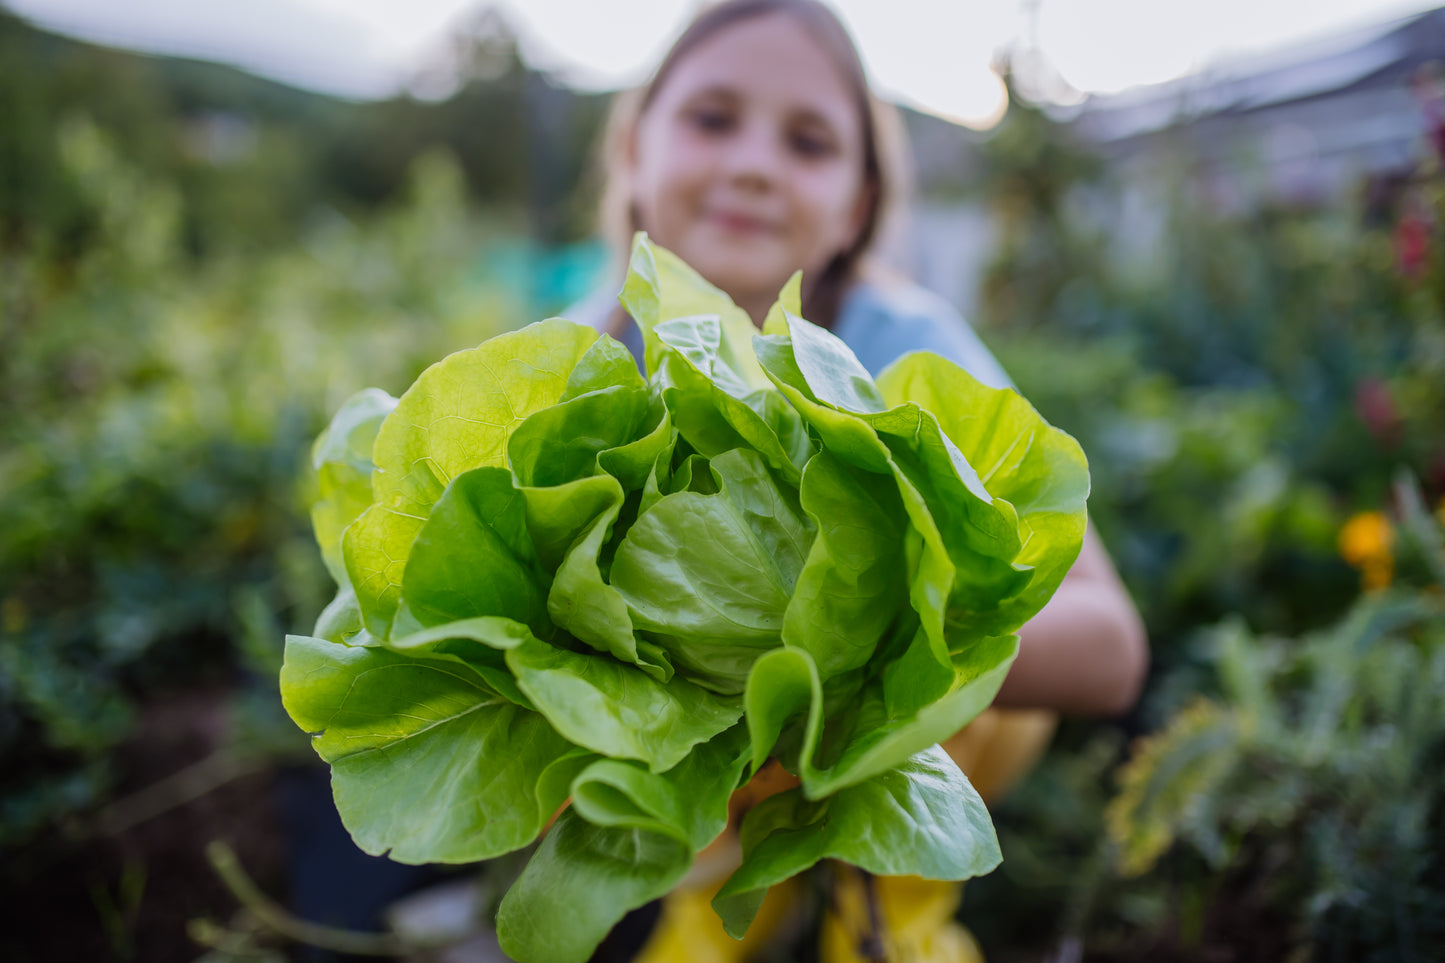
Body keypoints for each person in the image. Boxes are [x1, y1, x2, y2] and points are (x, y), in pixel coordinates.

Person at [565, 1, 1148, 958]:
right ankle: (719, 888)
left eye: (808, 142)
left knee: (970, 629)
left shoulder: (904, 347)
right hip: (692, 755)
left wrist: (874, 647)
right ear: (633, 150)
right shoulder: (583, 356)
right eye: (712, 119)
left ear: (857, 204)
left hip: (912, 750)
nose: (754, 164)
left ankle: (886, 902)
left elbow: (1109, 644)